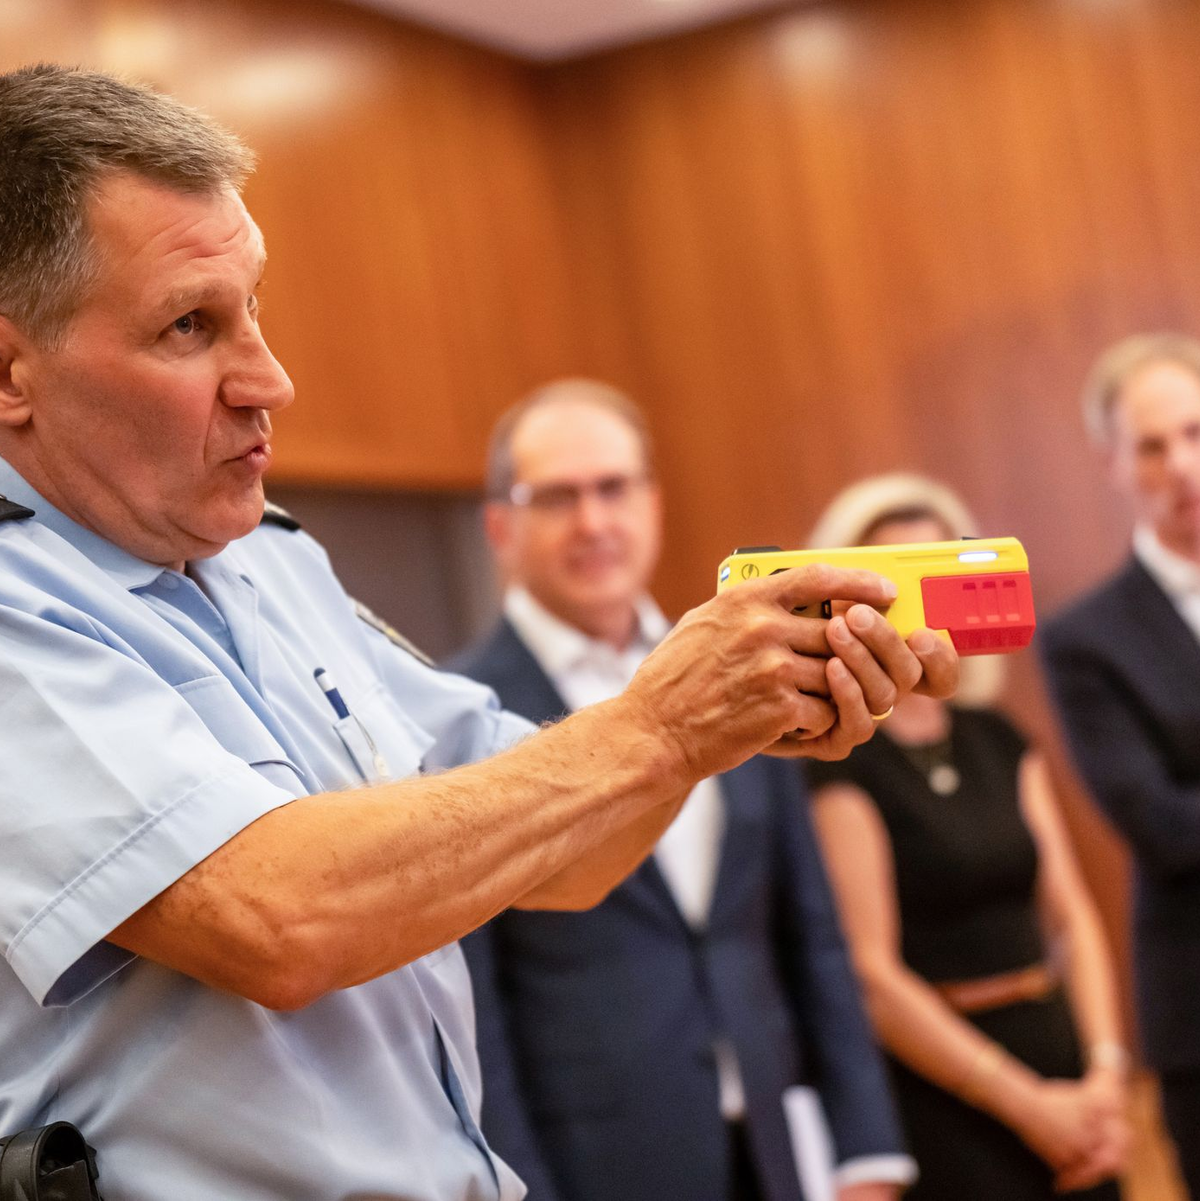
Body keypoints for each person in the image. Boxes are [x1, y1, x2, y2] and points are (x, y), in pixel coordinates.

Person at [0, 65, 959, 1201]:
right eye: (190, 326)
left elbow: (564, 852)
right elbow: (277, 917)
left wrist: (735, 711)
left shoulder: (272, 563)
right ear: (12, 369)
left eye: (254, 306)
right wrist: (661, 723)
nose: (271, 379)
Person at [448, 381, 912, 1201]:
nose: (594, 521)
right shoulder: (456, 712)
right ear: (499, 527)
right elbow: (472, 1007)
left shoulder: (755, 662)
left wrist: (866, 1149)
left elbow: (811, 929)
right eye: (557, 497)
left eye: (614, 488)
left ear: (653, 502)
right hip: (599, 1160)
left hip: (779, 1135)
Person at [805, 473, 1130, 1201]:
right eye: (898, 580)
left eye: (938, 572)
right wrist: (1026, 1103)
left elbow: (1072, 916)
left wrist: (1105, 1074)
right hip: (951, 1093)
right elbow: (873, 974)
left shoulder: (996, 736)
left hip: (1062, 1062)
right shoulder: (840, 758)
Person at [1041, 333, 1200, 1199]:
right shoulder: (1087, 640)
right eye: (1152, 445)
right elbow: (1162, 824)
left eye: (1195, 432)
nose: (1181, 464)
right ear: (1114, 463)